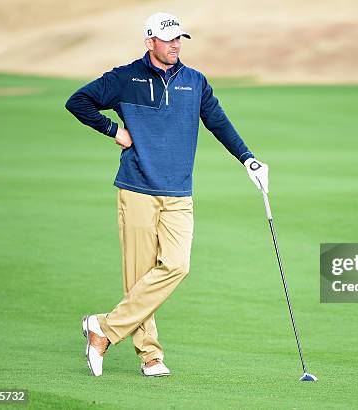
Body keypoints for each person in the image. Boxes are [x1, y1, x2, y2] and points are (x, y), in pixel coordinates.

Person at [65, 12, 269, 377]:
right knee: (139, 275)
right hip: (137, 188)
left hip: (178, 192)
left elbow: (218, 121)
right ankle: (150, 356)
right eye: (168, 38)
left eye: (179, 39)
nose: (175, 44)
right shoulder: (124, 78)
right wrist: (114, 129)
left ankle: (103, 328)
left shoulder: (195, 81)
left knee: (177, 265)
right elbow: (78, 101)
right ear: (149, 41)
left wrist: (248, 158)